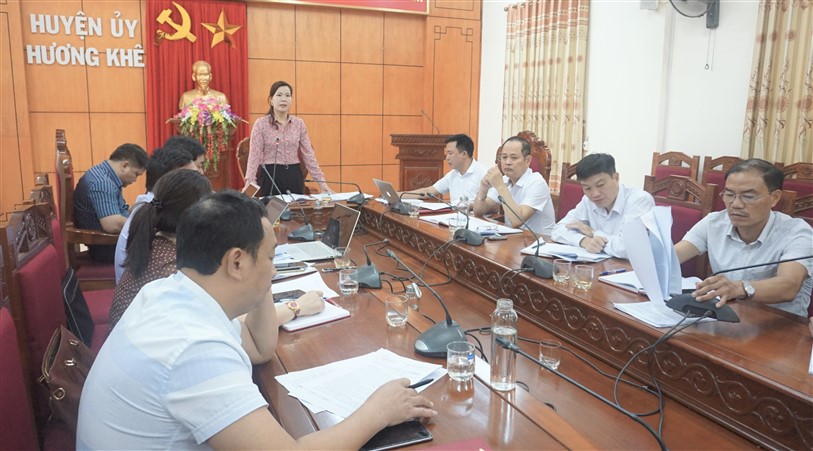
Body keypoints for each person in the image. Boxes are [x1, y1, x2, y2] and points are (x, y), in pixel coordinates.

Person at [78, 191, 435, 449]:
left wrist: (260, 273)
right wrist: (378, 411)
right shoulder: (194, 346)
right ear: (235, 263)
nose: (275, 267)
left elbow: (261, 348)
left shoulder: (172, 293)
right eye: (270, 256)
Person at [675, 159, 813, 317]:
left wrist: (739, 288)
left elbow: (789, 285)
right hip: (726, 317)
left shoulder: (797, 232)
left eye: (748, 196)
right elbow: (672, 256)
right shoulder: (714, 222)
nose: (736, 204)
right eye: (729, 195)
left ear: (774, 198)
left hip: (780, 326)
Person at [114, 146, 198, 282]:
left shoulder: (152, 206)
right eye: (193, 176)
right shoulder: (160, 215)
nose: (199, 180)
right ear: (170, 182)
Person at [551, 153, 654, 257]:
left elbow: (628, 248)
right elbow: (558, 230)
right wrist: (584, 241)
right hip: (601, 267)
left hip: (634, 270)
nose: (595, 194)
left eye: (600, 185)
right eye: (587, 188)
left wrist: (593, 233)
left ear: (616, 178)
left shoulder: (640, 201)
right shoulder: (588, 201)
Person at [244, 81, 331, 196]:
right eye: (279, 95)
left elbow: (309, 155)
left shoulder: (299, 124)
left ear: (291, 100)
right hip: (270, 176)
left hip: (294, 176)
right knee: (271, 213)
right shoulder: (261, 124)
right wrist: (249, 183)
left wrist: (322, 183)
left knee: (296, 212)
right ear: (271, 100)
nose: (283, 99)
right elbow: (254, 156)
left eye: (287, 95)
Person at [73, 143, 148, 262]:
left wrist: (142, 210)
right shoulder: (102, 183)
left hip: (111, 244)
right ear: (125, 165)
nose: (135, 180)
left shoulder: (104, 175)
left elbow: (119, 210)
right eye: (136, 174)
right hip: (108, 248)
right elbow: (112, 224)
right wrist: (146, 224)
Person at [471, 136, 556, 236]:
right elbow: (479, 212)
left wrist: (500, 186)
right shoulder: (505, 180)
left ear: (528, 160)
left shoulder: (537, 182)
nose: (507, 162)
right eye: (504, 157)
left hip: (539, 243)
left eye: (514, 158)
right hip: (513, 240)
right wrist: (483, 189)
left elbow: (517, 221)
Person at [400, 134, 487, 205]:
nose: (447, 158)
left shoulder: (483, 174)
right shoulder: (453, 174)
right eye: (446, 154)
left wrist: (462, 206)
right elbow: (429, 191)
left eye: (450, 153)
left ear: (464, 154)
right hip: (454, 218)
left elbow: (491, 206)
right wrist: (399, 195)